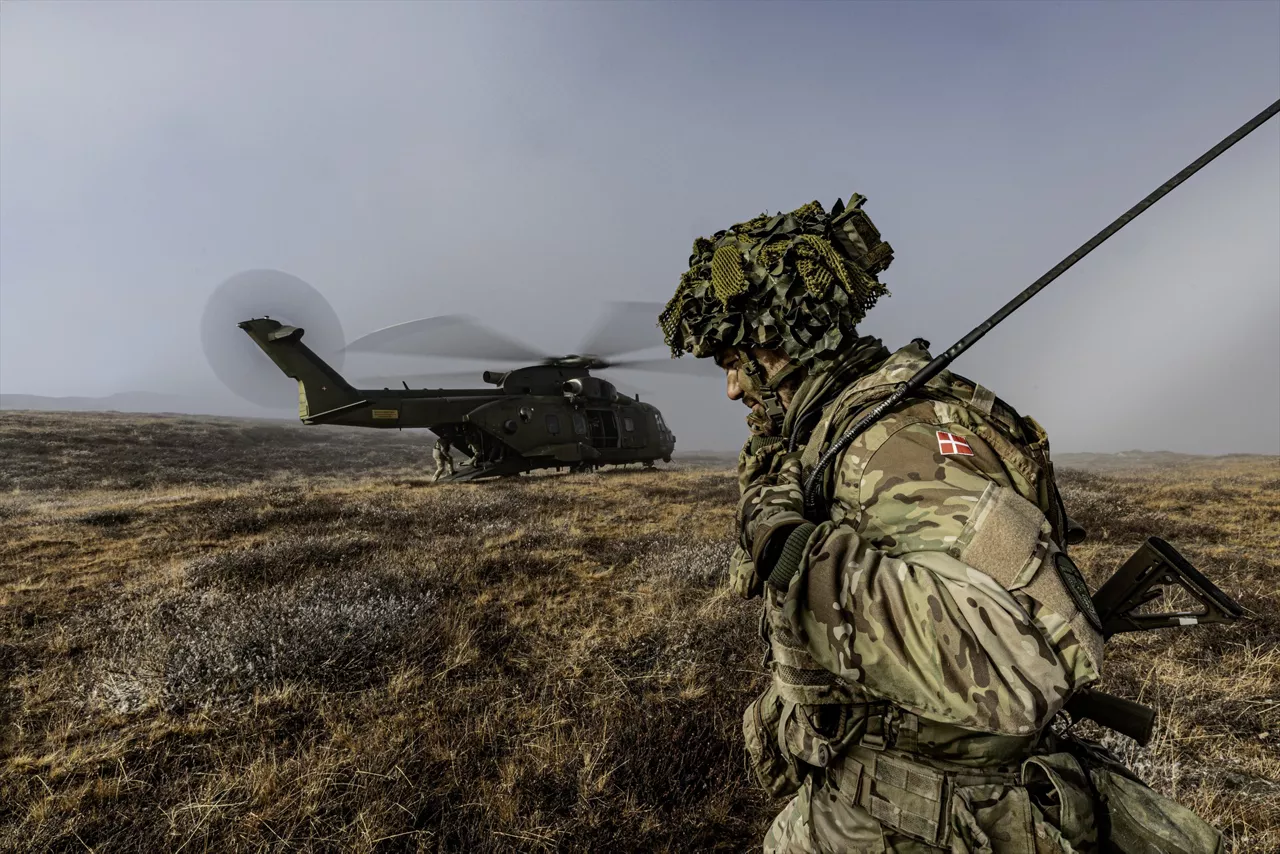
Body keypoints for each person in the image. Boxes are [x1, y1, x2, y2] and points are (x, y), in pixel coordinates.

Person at [659, 194, 1225, 852]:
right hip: (883, 798)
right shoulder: (846, 434)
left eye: (733, 361)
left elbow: (1010, 669)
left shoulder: (891, 443)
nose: (732, 389)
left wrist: (789, 548)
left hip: (935, 823)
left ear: (779, 342)